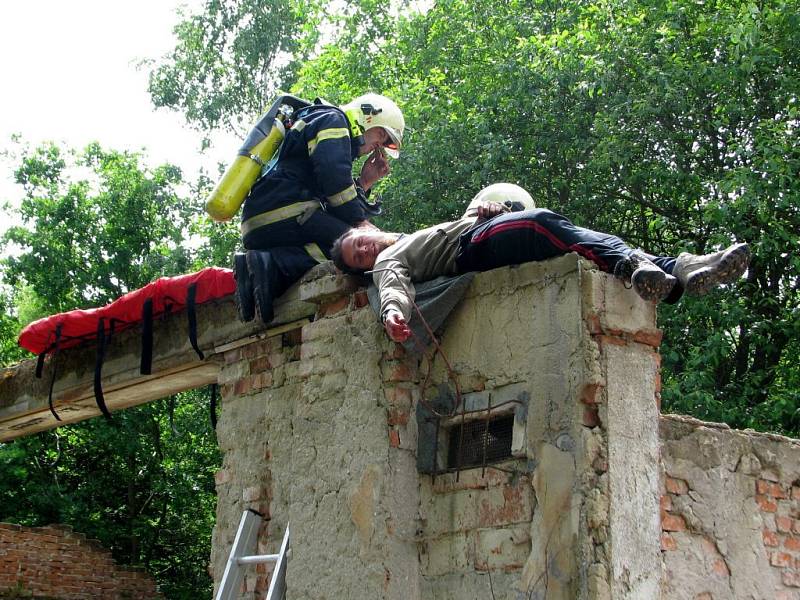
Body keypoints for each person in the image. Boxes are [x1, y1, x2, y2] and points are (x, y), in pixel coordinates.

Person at [330, 184, 751, 342]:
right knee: (542, 224)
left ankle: (678, 271)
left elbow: (471, 219)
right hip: (472, 252)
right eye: (357, 258)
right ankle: (635, 267)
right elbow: (392, 286)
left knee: (570, 232)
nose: (365, 251)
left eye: (359, 243)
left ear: (364, 226)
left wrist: (485, 210)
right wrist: (392, 315)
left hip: (479, 233)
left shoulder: (415, 234)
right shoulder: (388, 259)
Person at [235, 93, 405, 324]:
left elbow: (333, 193)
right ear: (369, 117)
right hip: (283, 210)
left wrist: (365, 182)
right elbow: (332, 176)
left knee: (342, 249)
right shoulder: (334, 120)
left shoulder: (326, 125)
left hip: (269, 217)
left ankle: (265, 270)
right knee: (352, 250)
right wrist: (362, 224)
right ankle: (274, 264)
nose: (380, 145)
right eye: (381, 135)